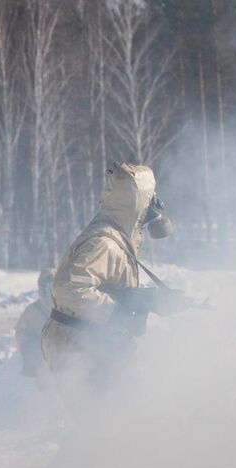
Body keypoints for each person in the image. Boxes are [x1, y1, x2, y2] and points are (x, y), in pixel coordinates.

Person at [38, 162, 188, 402]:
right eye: (150, 199)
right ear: (139, 203)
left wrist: (149, 301)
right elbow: (69, 289)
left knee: (110, 416)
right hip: (77, 343)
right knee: (100, 420)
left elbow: (107, 287)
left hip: (87, 340)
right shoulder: (104, 242)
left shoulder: (115, 237)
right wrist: (120, 309)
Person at [14, 272, 50, 382]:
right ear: (40, 288)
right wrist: (30, 350)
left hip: (65, 356)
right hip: (41, 359)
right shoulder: (32, 310)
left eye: (52, 286)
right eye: (45, 286)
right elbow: (21, 332)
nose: (48, 291)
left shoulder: (66, 306)